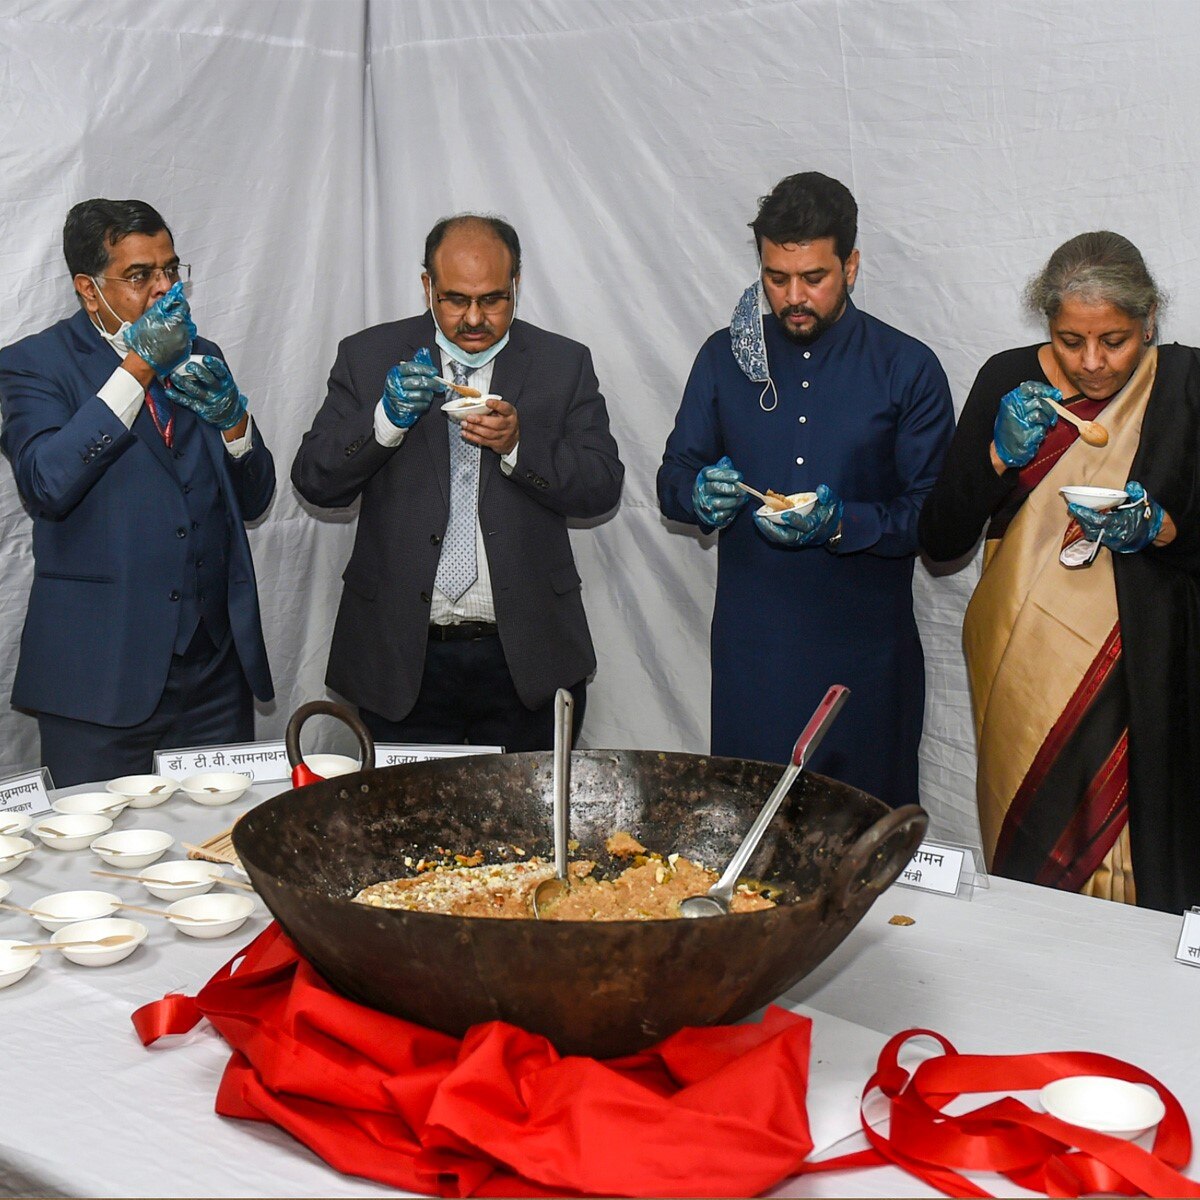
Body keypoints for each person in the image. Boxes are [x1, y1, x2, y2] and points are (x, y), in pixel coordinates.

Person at [919, 231, 1200, 914]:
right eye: (1071, 341)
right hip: (1021, 667)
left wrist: (1161, 528)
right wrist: (995, 456)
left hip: (1141, 673)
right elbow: (940, 540)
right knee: (1031, 858)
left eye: (1115, 341)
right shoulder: (1005, 380)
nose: (1094, 363)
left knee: (1136, 867)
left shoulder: (1187, 387)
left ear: (1150, 323)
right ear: (1048, 323)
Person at [657, 172, 954, 807]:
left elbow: (933, 516)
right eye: (775, 277)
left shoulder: (907, 368)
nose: (793, 297)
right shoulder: (724, 357)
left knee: (864, 849)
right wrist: (696, 495)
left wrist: (842, 523)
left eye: (813, 278)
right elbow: (673, 475)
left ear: (851, 264)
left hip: (865, 663)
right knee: (749, 841)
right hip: (753, 658)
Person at [291, 213, 623, 750]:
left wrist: (519, 446)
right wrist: (386, 421)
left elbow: (603, 486)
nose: (474, 318)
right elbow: (315, 481)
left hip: (526, 661)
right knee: (406, 831)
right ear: (427, 286)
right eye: (454, 300)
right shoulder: (369, 355)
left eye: (493, 299)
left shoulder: (562, 363)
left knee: (529, 832)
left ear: (517, 284)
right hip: (400, 658)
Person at [0, 198, 275, 787]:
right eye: (139, 275)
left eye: (170, 270)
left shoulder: (204, 356)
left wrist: (234, 423)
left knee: (219, 845)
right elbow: (46, 484)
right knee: (95, 856)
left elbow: (254, 500)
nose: (162, 289)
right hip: (100, 677)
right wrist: (137, 369)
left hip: (213, 672)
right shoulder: (33, 365)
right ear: (88, 288)